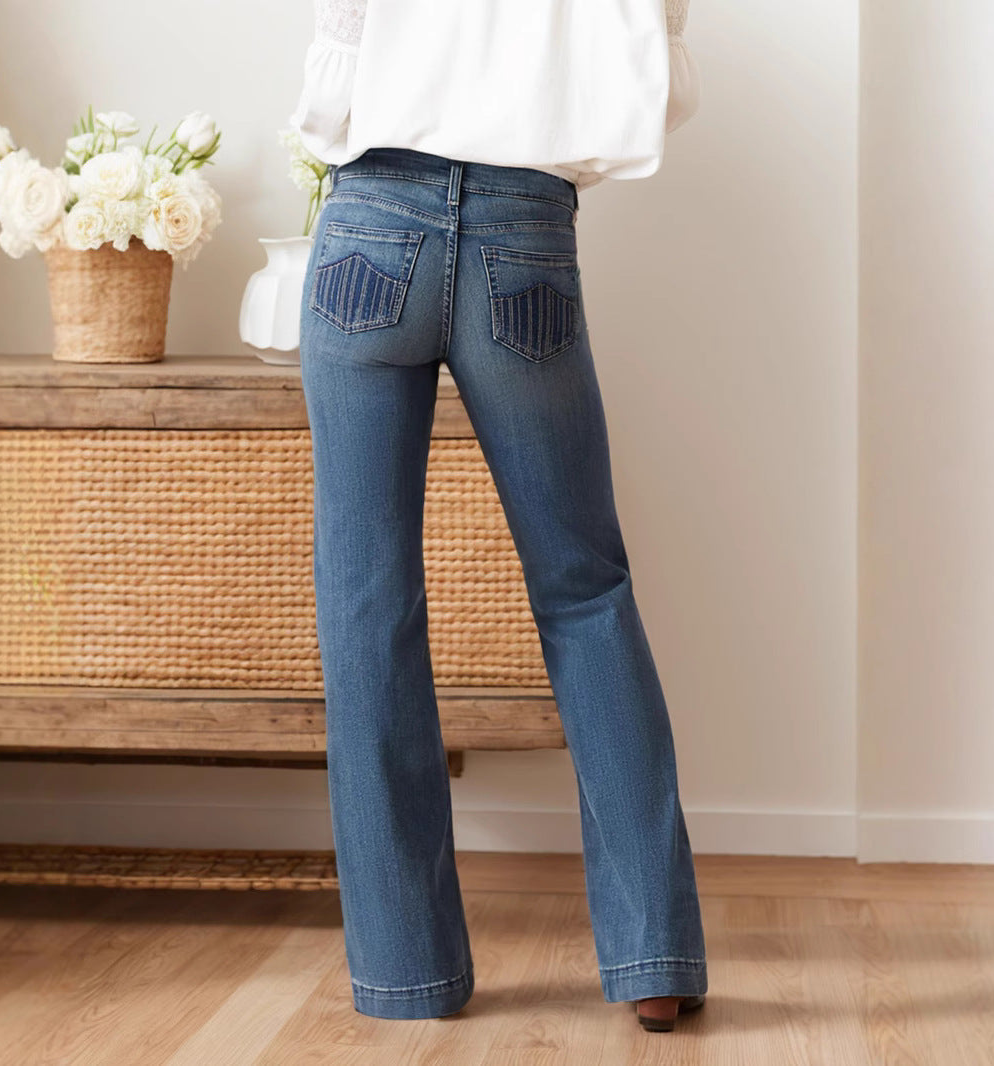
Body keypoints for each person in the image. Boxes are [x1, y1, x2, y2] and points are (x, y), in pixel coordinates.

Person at [288, 0, 707, 1034]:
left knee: (364, 597)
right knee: (584, 590)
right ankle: (653, 954)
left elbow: (332, 74)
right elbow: (668, 83)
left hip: (366, 228)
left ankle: (405, 969)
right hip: (524, 235)